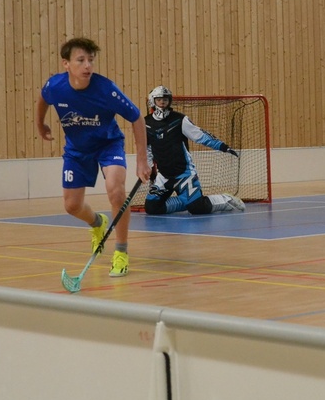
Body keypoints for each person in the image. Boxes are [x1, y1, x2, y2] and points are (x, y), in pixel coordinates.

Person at [35, 37, 151, 278]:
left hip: (109, 145)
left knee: (116, 191)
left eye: (91, 60)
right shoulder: (55, 86)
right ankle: (97, 223)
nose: (87, 65)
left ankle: (121, 252)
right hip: (77, 151)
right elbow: (43, 99)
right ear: (66, 64)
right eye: (81, 60)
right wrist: (40, 124)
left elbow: (137, 117)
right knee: (72, 206)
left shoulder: (106, 89)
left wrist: (142, 160)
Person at [143, 86, 246, 215]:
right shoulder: (145, 123)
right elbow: (147, 148)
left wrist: (222, 146)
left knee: (198, 208)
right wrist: (149, 168)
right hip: (163, 176)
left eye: (165, 100)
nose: (162, 102)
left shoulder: (180, 120)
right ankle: (190, 202)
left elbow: (200, 136)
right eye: (159, 100)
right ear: (152, 101)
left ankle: (226, 199)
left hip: (184, 174)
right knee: (152, 208)